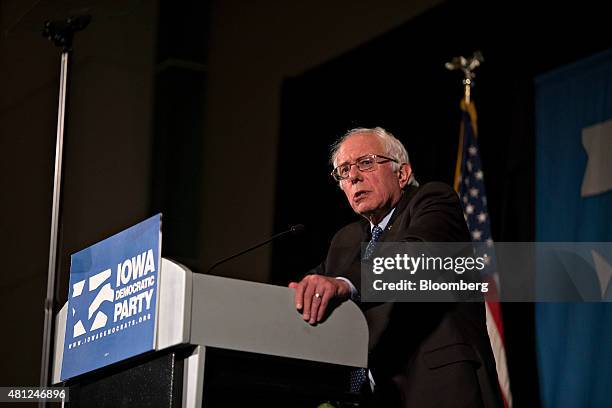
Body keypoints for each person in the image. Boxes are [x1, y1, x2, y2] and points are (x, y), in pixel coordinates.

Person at [289, 127, 502, 407]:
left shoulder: (433, 201)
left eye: (366, 163)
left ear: (401, 174)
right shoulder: (347, 238)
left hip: (440, 387)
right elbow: (313, 286)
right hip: (378, 396)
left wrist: (344, 284)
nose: (353, 176)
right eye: (343, 170)